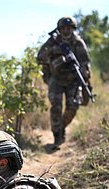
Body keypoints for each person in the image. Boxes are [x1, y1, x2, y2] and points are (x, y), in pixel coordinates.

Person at [37, 16, 92, 147]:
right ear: (60, 29)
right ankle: (57, 136)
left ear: (73, 29)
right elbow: (39, 58)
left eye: (69, 28)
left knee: (73, 106)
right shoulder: (52, 41)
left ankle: (60, 128)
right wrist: (58, 57)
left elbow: (85, 62)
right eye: (64, 28)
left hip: (73, 79)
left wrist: (85, 76)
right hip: (55, 78)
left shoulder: (78, 42)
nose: (66, 31)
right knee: (56, 106)